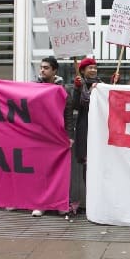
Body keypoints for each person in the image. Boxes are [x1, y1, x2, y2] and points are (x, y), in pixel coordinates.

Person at [30, 57, 74, 217]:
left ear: (55, 71)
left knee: (59, 170)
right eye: (41, 67)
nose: (42, 70)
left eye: (46, 68)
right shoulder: (34, 87)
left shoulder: (64, 89)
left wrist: (70, 135)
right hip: (39, 135)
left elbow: (68, 113)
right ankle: (41, 204)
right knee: (41, 170)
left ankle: (59, 203)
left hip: (57, 135)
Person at [70, 57, 104, 216]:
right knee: (87, 166)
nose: (93, 70)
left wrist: (112, 85)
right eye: (90, 68)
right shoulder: (79, 86)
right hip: (86, 130)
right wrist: (78, 89)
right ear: (82, 70)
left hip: (101, 130)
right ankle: (89, 200)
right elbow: (76, 105)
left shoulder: (102, 84)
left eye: (95, 67)